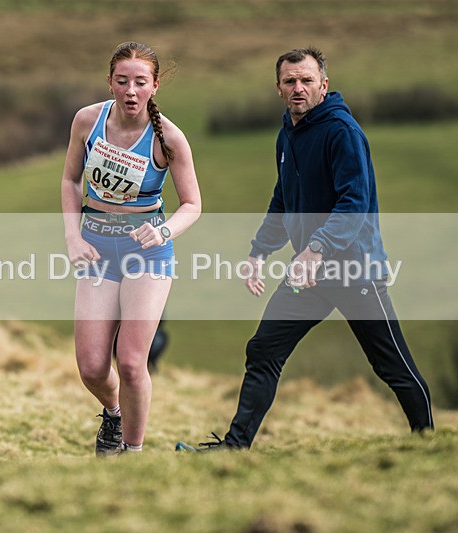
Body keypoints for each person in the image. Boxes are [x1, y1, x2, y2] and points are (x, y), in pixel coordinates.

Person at [177, 47, 433, 452]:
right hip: (308, 276)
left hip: (353, 271)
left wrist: (316, 248)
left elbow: (354, 202)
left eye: (307, 80)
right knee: (263, 350)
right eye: (290, 81)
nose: (299, 88)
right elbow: (284, 200)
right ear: (278, 88)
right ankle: (234, 446)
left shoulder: (342, 132)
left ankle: (430, 442)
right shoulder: (288, 135)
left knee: (392, 365)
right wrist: (259, 252)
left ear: (323, 85)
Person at [61, 42, 201, 455]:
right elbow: (70, 180)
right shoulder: (88, 120)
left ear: (154, 86)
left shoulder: (169, 138)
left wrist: (164, 233)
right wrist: (73, 235)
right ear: (110, 82)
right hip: (97, 251)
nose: (130, 90)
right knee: (90, 367)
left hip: (147, 254)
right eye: (122, 81)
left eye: (140, 82)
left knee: (130, 361)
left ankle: (132, 454)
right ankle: (114, 414)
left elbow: (192, 204)